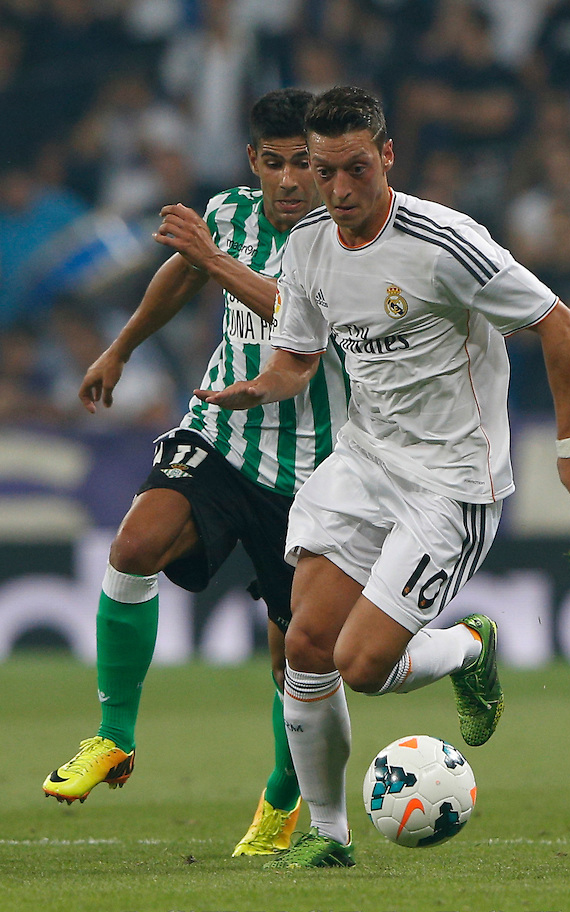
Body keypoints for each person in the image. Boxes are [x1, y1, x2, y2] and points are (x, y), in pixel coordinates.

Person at [199, 86, 570, 869]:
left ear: (387, 155)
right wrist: (257, 388)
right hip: (365, 461)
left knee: (362, 666)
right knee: (306, 647)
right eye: (324, 171)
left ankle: (466, 647)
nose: (338, 188)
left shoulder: (445, 243)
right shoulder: (308, 244)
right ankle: (328, 836)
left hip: (450, 482)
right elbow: (298, 356)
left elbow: (557, 322)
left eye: (355, 168)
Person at [41, 88, 350, 858]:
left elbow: (299, 317)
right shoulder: (230, 214)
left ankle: (283, 796)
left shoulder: (349, 239)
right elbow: (182, 278)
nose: (289, 180)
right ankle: (114, 736)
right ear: (253, 161)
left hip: (316, 469)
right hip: (221, 434)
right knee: (133, 545)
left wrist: (211, 258)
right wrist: (122, 348)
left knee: (297, 657)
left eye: (304, 164)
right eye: (274, 162)